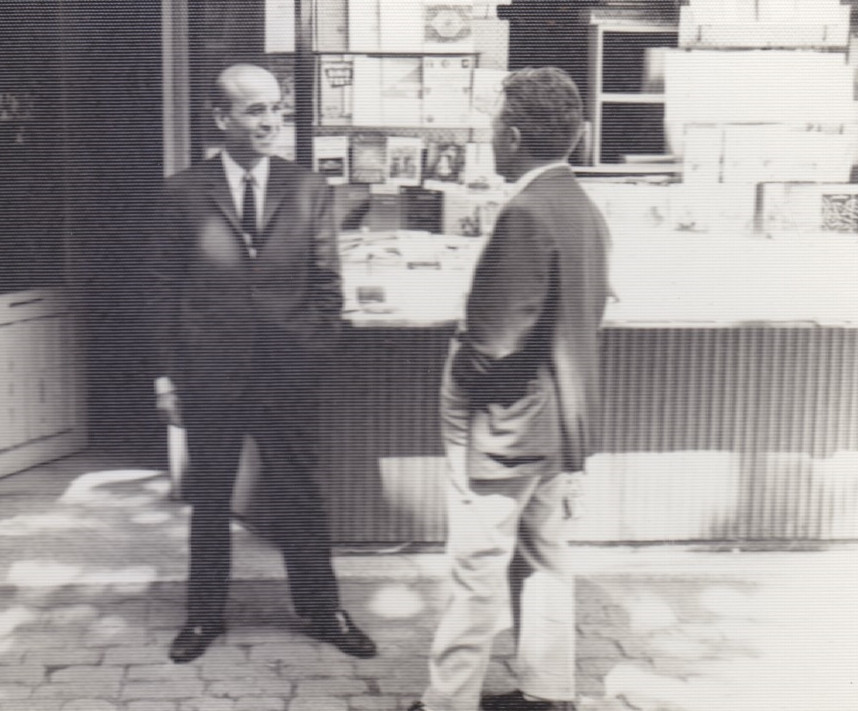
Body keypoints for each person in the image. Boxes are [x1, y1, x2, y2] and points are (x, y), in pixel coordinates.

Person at [147, 63, 376, 665]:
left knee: (300, 494)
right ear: (220, 118)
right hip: (211, 374)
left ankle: (323, 611)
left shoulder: (308, 188)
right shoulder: (181, 193)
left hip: (287, 373)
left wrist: (312, 349)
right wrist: (167, 376)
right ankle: (203, 616)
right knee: (210, 499)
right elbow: (164, 291)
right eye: (255, 110)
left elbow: (327, 282)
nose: (271, 121)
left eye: (277, 109)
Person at [409, 67, 611, 711]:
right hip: (561, 421)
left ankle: (447, 702)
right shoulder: (582, 206)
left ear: (515, 136)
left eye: (495, 123)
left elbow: (495, 343)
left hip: (508, 424)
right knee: (545, 555)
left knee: (476, 567)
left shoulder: (525, 211)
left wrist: (461, 376)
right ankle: (548, 693)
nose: (490, 134)